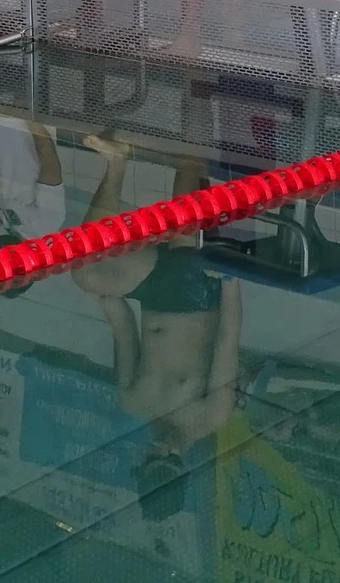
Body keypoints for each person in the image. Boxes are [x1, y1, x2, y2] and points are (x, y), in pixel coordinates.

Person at [72, 135, 242, 524]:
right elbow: (227, 341)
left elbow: (122, 328)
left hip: (153, 292)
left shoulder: (134, 401)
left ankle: (116, 162)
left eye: (152, 456)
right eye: (168, 459)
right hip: (197, 292)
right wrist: (231, 279)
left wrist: (102, 292)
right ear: (183, 468)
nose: (161, 448)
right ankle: (196, 108)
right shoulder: (211, 415)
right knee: (186, 178)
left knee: (85, 271)